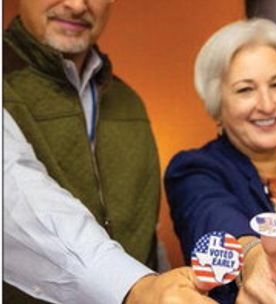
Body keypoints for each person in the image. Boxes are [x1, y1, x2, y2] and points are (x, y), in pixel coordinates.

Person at [3, 0, 215, 303]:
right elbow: (11, 194)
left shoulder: (129, 103)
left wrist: (163, 287)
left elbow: (148, 235)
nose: (77, 5)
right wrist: (137, 288)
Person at [165, 18, 276, 303]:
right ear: (217, 102)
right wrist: (253, 257)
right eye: (245, 89)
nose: (266, 104)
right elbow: (213, 218)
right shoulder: (195, 169)